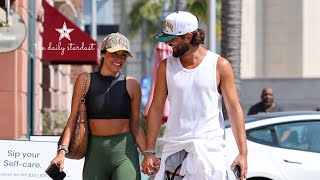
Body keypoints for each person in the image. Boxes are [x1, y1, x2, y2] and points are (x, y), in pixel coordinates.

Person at [141, 11, 248, 180]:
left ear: (188, 37)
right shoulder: (165, 66)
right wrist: (149, 152)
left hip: (210, 152)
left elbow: (234, 110)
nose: (168, 43)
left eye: (172, 39)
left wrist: (243, 153)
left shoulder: (220, 65)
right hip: (174, 151)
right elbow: (155, 109)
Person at [50, 32, 146, 180]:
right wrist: (61, 152)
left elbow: (135, 125)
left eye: (123, 55)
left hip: (124, 152)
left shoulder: (132, 85)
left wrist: (149, 154)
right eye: (114, 54)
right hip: (95, 154)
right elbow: (72, 119)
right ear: (103, 54)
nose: (119, 59)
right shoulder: (85, 80)